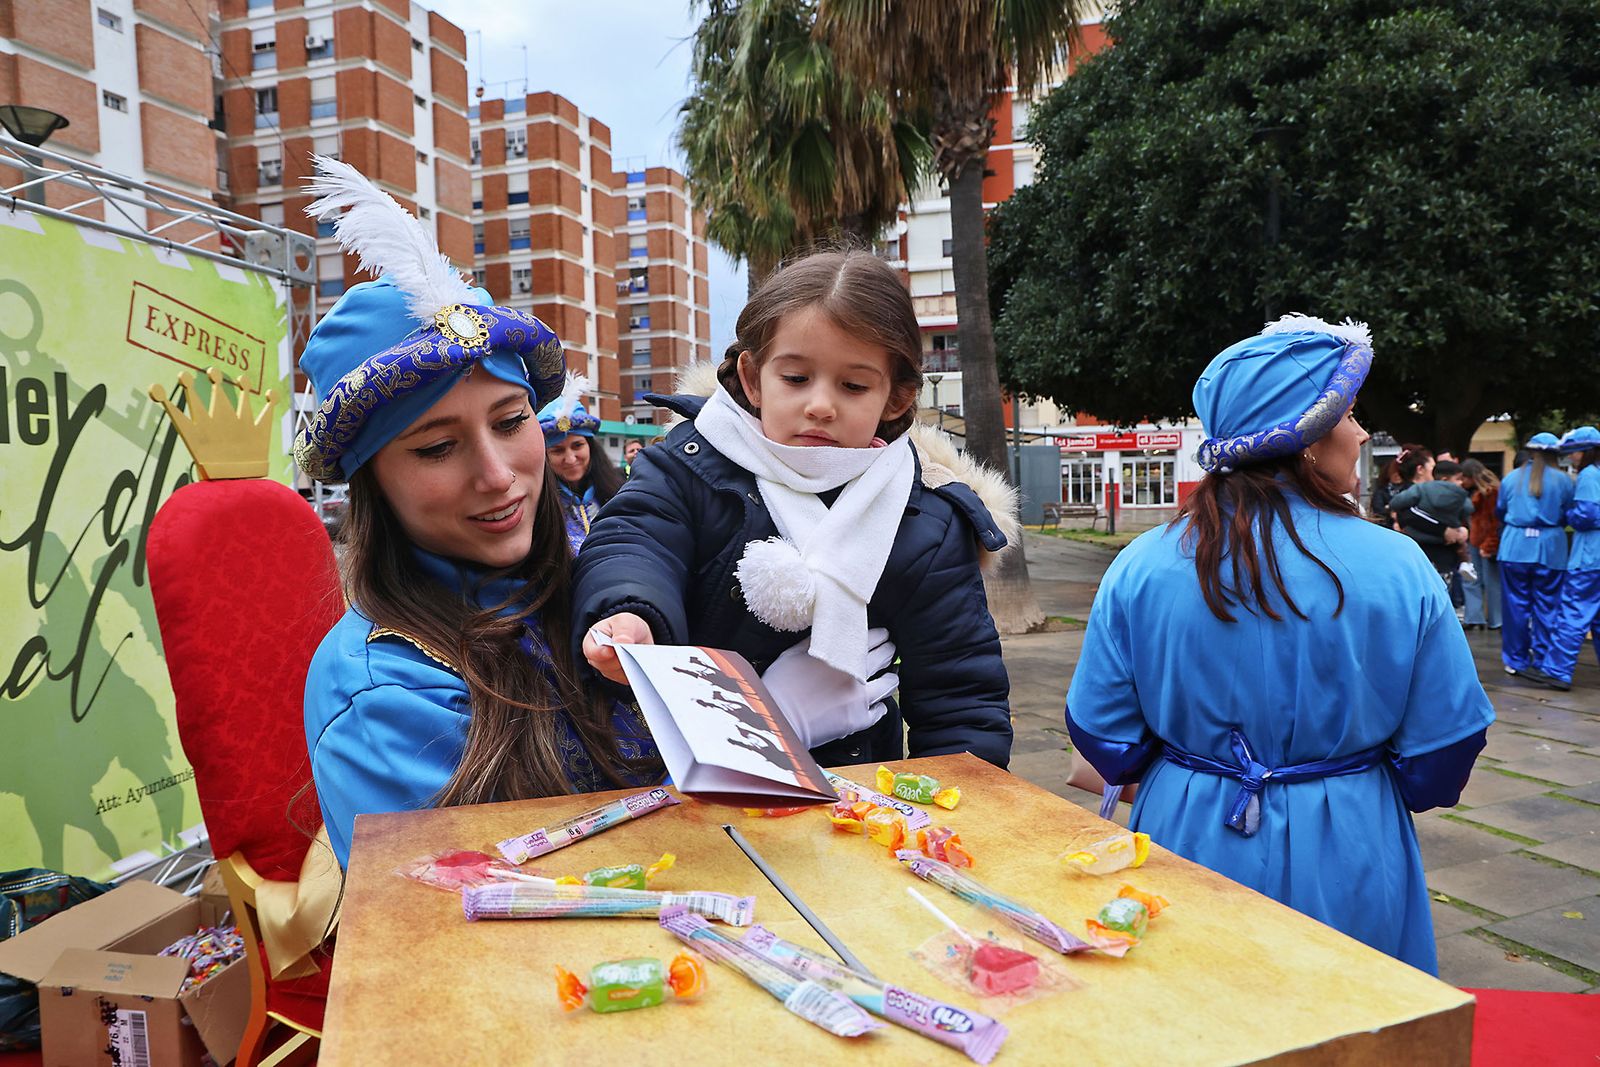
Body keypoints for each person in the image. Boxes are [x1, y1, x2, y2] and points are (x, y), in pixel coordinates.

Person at [1065, 314, 1492, 975]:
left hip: (1186, 830)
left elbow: (1103, 732)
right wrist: (1354, 785)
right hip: (1350, 836)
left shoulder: (1141, 564)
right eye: (1347, 414)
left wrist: (1191, 771)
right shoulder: (1400, 566)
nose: (1358, 432)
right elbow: (1444, 748)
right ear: (1307, 440)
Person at [294, 158, 659, 868]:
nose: (498, 476)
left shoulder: (618, 588)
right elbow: (463, 936)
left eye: (511, 420)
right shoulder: (380, 696)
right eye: (437, 447)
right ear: (376, 482)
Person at [574, 248, 1016, 768]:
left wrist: (959, 805)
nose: (820, 405)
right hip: (695, 778)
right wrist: (628, 610)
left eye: (853, 385)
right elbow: (634, 539)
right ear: (753, 377)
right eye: (796, 378)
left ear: (895, 399)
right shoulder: (687, 466)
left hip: (854, 797)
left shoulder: (925, 519)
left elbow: (960, 692)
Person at [1496, 432, 1574, 678]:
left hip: (1514, 546)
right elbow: (1569, 513)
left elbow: (1500, 511)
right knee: (1548, 606)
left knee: (1515, 606)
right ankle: (1543, 658)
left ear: (1531, 451)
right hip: (1552, 548)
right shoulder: (1565, 481)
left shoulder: (1511, 479)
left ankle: (1516, 660)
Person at [1531, 426, 1600, 689]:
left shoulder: (1589, 475)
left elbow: (1586, 515)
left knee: (1574, 611)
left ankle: (1558, 670)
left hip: (1589, 557)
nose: (1571, 458)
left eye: (1574, 453)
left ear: (1587, 452)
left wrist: (1568, 513)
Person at [538, 375, 624, 552]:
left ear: (591, 446)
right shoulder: (537, 509)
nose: (570, 459)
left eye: (577, 446)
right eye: (557, 450)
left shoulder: (622, 493)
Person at [1391, 459, 1474, 587]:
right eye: (1458, 479)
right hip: (1447, 548)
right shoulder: (1460, 496)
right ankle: (1465, 562)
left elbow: (1397, 503)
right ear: (1446, 479)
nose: (1461, 483)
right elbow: (1469, 509)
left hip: (1420, 543)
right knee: (1444, 588)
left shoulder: (1422, 489)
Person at [1460, 459, 1503, 631]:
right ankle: (1479, 618)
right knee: (1472, 579)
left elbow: (1496, 522)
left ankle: (1493, 619)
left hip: (1484, 542)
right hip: (1475, 541)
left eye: (1465, 477)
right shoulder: (1475, 492)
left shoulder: (1491, 493)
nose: (1462, 481)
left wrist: (1491, 544)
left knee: (1489, 581)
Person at [1372, 444, 1430, 526]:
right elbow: (1378, 510)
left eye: (1399, 474)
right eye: (1394, 473)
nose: (1397, 477)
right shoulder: (1381, 492)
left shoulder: (1410, 488)